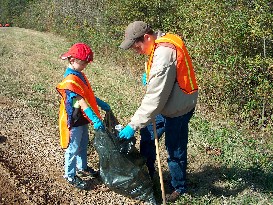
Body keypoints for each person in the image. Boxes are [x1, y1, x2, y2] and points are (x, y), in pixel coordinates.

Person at [119, 21, 198, 202]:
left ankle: (179, 186)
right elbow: (162, 79)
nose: (135, 50)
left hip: (179, 106)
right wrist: (151, 74)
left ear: (146, 37)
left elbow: (154, 99)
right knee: (147, 135)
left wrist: (132, 125)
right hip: (166, 102)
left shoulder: (164, 53)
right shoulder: (158, 43)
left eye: (136, 46)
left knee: (174, 148)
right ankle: (147, 174)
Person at [56, 43, 111, 190]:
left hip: (82, 118)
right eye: (84, 62)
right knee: (73, 148)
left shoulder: (79, 74)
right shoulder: (70, 80)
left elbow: (87, 94)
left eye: (87, 62)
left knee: (82, 144)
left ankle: (82, 167)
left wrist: (100, 103)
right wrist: (95, 119)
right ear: (72, 60)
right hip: (74, 119)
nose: (86, 65)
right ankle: (70, 175)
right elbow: (81, 102)